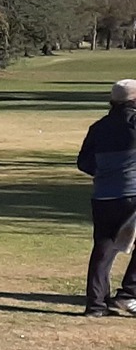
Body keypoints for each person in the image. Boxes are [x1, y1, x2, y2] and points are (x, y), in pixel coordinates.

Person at [77, 79, 136, 317]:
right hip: (132, 193)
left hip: (103, 196)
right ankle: (129, 293)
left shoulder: (99, 127)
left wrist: (106, 173)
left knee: (103, 249)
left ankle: (96, 305)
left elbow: (84, 162)